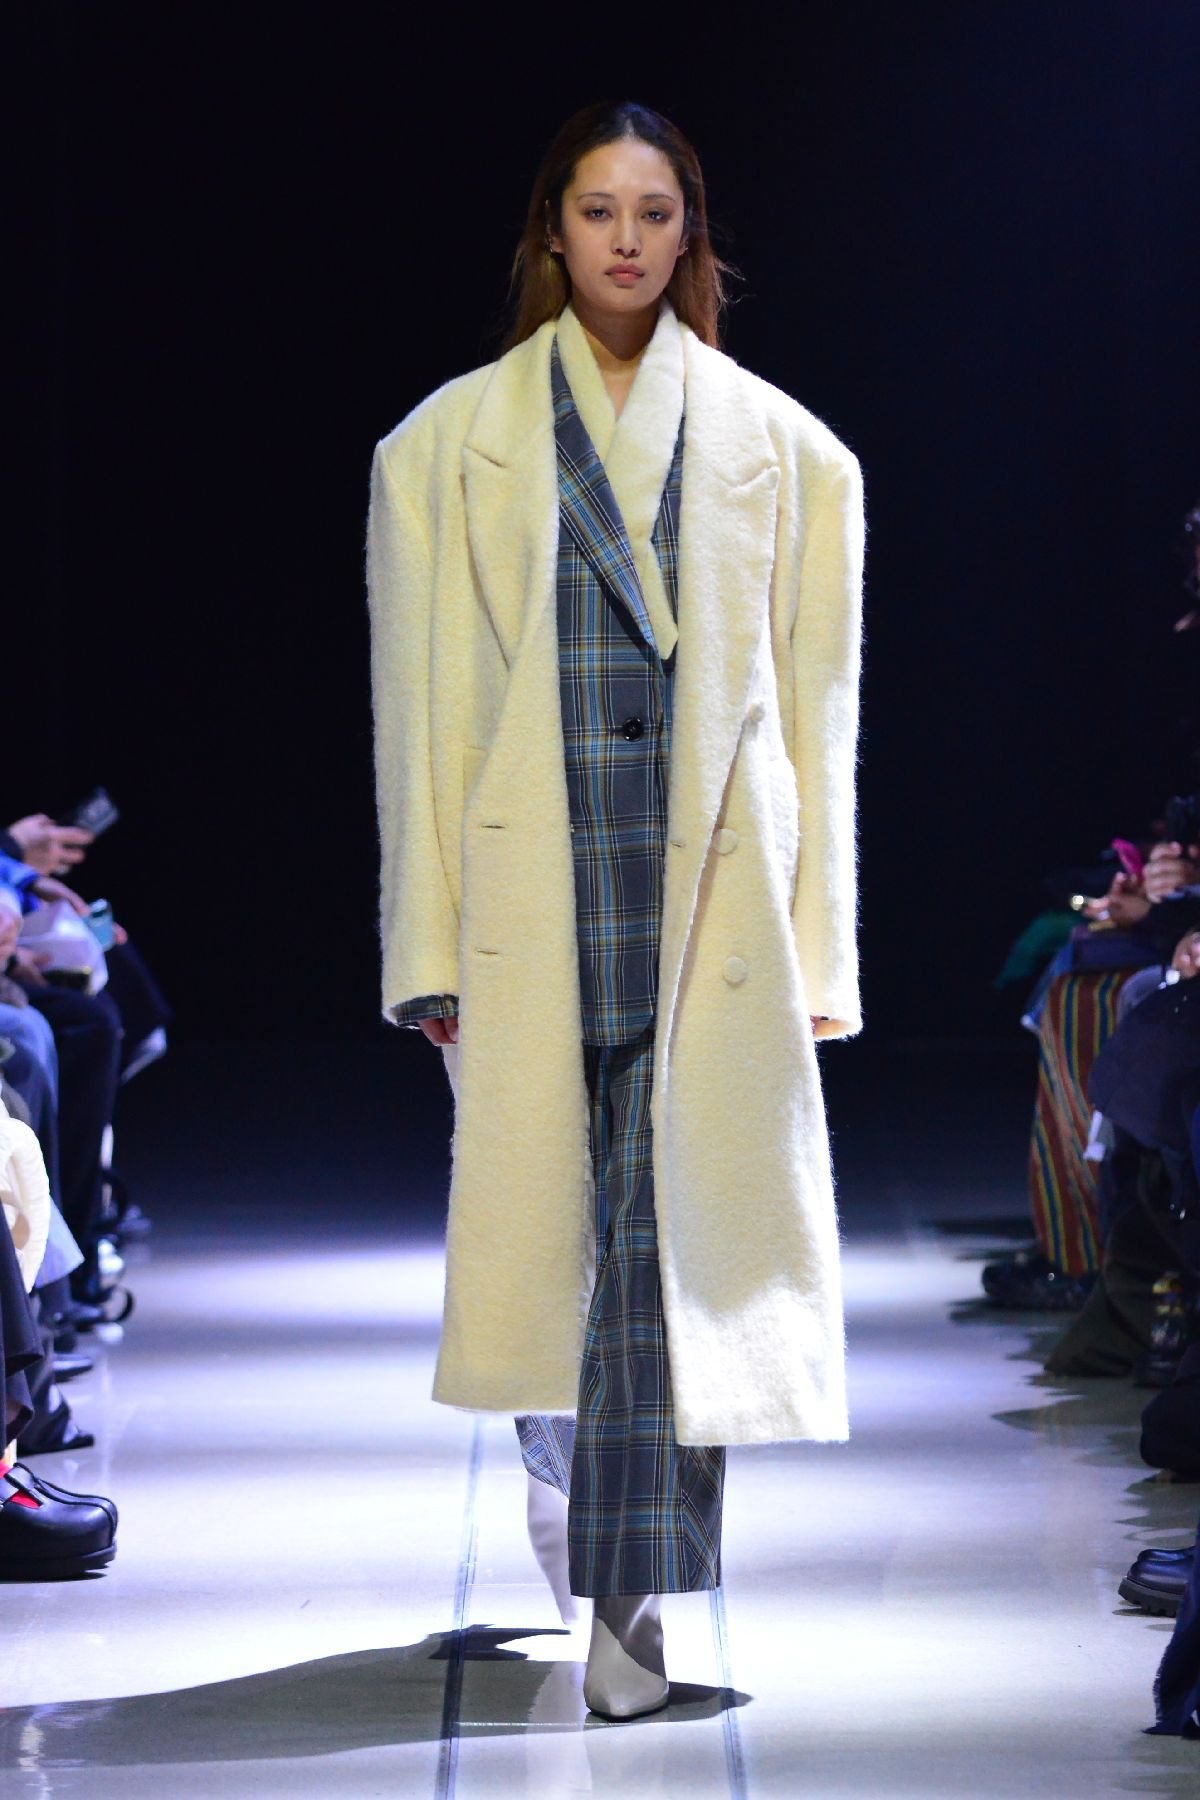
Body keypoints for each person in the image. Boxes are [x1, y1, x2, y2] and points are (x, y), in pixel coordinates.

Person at [366, 100, 865, 1720]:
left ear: (690, 233)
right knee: (563, 1257)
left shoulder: (794, 457)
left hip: (712, 907)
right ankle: (576, 1507)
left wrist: (823, 950)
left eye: (656, 212)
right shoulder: (439, 449)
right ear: (552, 232)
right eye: (598, 211)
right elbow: (419, 720)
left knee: (668, 1264)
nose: (628, 240)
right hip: (532, 896)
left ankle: (626, 1606)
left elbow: (820, 725)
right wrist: (425, 950)